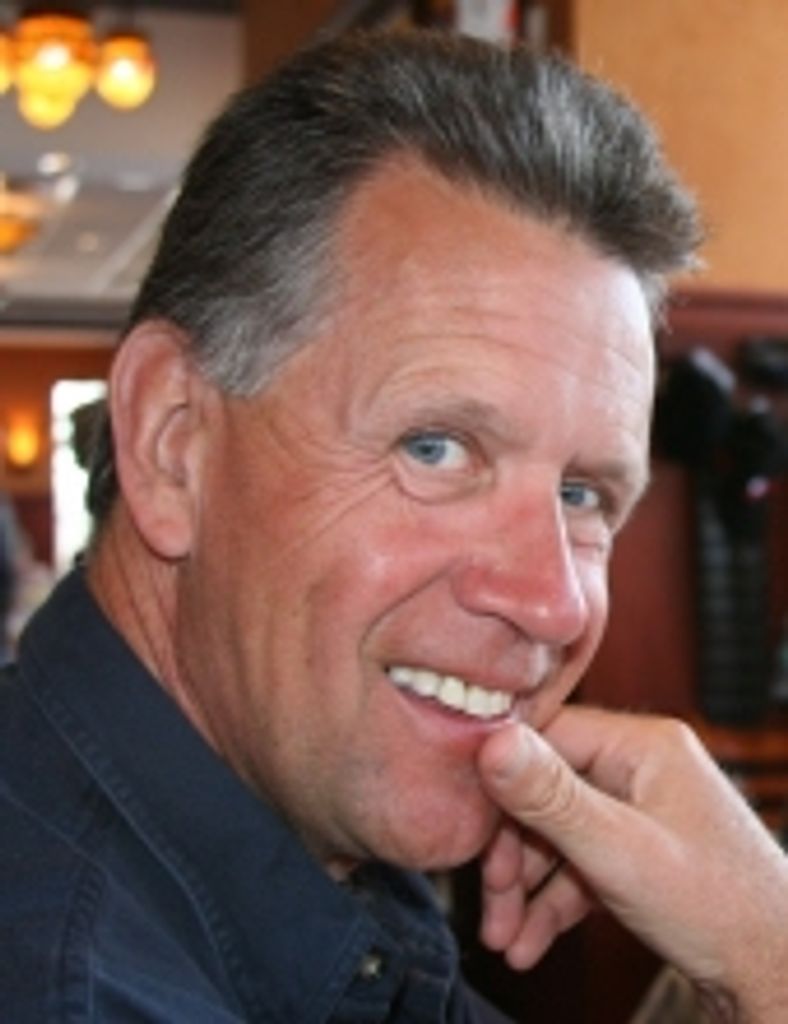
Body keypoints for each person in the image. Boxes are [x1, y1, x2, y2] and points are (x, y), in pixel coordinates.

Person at [1, 29, 786, 1023]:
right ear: (172, 443)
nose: (552, 603)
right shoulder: (77, 988)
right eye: (436, 449)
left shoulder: (308, 847)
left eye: (582, 495)